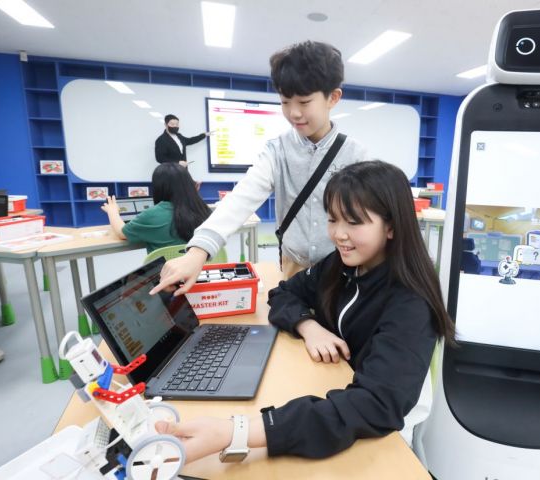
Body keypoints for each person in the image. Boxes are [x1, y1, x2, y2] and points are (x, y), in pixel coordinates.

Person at [155, 160, 454, 462]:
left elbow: (373, 405)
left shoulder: (411, 303)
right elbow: (284, 293)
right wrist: (309, 327)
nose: (338, 234)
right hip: (335, 389)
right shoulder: (341, 264)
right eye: (332, 219)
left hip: (380, 434)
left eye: (353, 222)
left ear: (391, 226)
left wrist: (236, 431)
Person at [151, 40, 368, 293]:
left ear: (333, 97)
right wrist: (199, 250)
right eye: (285, 102)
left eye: (304, 102)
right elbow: (243, 196)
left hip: (343, 269)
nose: (294, 113)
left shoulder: (355, 154)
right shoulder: (277, 150)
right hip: (293, 265)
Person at [101, 163, 211, 253]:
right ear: (189, 185)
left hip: (168, 277)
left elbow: (122, 233)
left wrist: (112, 211)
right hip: (206, 274)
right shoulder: (205, 211)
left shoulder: (153, 215)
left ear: (159, 187)